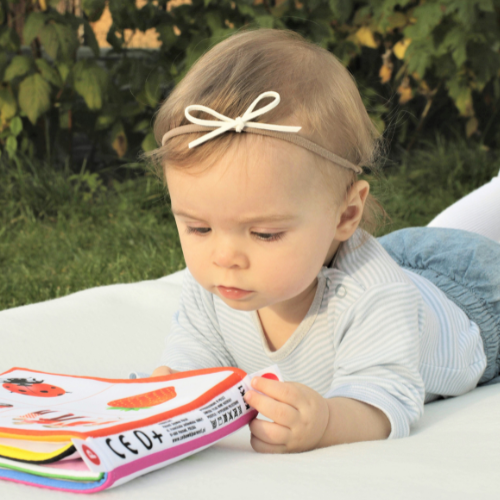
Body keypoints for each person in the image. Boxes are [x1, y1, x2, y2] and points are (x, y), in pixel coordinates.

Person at [138, 28, 500, 454]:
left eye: (265, 233)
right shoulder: (214, 285)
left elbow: (388, 398)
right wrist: (173, 393)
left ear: (346, 216)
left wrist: (327, 420)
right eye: (199, 228)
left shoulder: (375, 296)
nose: (224, 257)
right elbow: (196, 362)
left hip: (477, 300)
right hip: (407, 262)